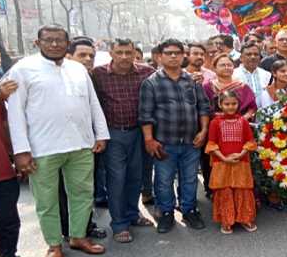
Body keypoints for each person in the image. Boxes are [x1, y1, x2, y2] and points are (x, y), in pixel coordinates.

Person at [7, 24, 110, 257]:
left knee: (83, 194)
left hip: (80, 144)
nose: (54, 44)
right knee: (46, 200)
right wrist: (20, 151)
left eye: (59, 40)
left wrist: (101, 134)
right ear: (37, 42)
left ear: (67, 43)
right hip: (42, 148)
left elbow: (93, 103)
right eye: (48, 40)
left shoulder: (77, 68)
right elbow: (15, 113)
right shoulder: (22, 69)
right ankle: (54, 245)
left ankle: (78, 237)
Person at [138, 38, 210, 233]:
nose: (173, 56)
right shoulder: (151, 83)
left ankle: (189, 210)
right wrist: (149, 139)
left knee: (189, 179)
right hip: (164, 142)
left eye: (177, 53)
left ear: (183, 56)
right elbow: (145, 115)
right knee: (163, 180)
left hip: (190, 141)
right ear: (160, 57)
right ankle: (166, 213)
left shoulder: (192, 81)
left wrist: (203, 131)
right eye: (168, 53)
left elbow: (203, 108)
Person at [93, 38, 156, 243]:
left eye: (128, 52)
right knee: (116, 179)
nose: (124, 57)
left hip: (138, 132)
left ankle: (132, 214)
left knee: (135, 177)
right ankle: (119, 223)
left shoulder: (146, 72)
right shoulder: (99, 74)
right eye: (119, 52)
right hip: (112, 134)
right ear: (111, 53)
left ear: (134, 52)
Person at [0, 82, 36, 257]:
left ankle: (9, 255)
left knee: (8, 221)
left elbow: (8, 129)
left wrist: (18, 158)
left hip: (2, 174)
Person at [61, 36, 107, 240]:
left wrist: (100, 136)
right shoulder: (56, 79)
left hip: (90, 143)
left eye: (91, 56)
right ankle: (65, 229)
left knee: (87, 188)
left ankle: (86, 226)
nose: (88, 59)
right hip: (60, 145)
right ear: (68, 56)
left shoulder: (95, 77)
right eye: (82, 55)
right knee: (61, 191)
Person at [206, 91, 258, 234]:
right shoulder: (215, 123)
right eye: (227, 104)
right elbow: (211, 144)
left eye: (233, 104)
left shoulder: (243, 121)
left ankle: (245, 218)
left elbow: (250, 142)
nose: (230, 107)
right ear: (220, 104)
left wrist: (241, 154)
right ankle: (226, 219)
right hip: (221, 162)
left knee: (243, 189)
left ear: (238, 104)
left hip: (241, 162)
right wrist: (224, 158)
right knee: (225, 190)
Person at [233, 42, 272, 108]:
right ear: (241, 58)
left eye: (256, 54)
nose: (253, 57)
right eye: (248, 54)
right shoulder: (233, 75)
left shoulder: (267, 75)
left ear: (260, 57)